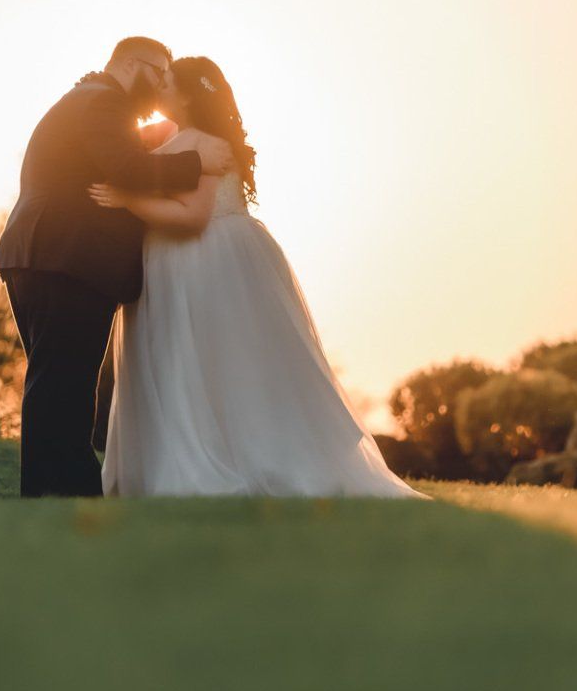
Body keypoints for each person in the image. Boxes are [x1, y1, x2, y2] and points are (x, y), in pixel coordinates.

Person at [90, 56, 425, 498]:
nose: (161, 88)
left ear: (188, 94)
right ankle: (176, 460)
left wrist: (125, 199)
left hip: (204, 262)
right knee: (188, 365)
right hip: (182, 262)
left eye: (168, 81)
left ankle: (235, 460)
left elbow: (193, 217)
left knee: (219, 366)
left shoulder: (206, 144)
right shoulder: (177, 136)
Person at [0, 37, 233, 497]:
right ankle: (62, 495)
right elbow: (126, 168)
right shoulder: (104, 102)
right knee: (65, 383)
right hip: (66, 258)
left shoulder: (90, 101)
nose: (163, 84)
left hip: (46, 255)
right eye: (159, 73)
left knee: (58, 382)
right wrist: (197, 161)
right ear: (132, 64)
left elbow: (122, 155)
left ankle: (59, 493)